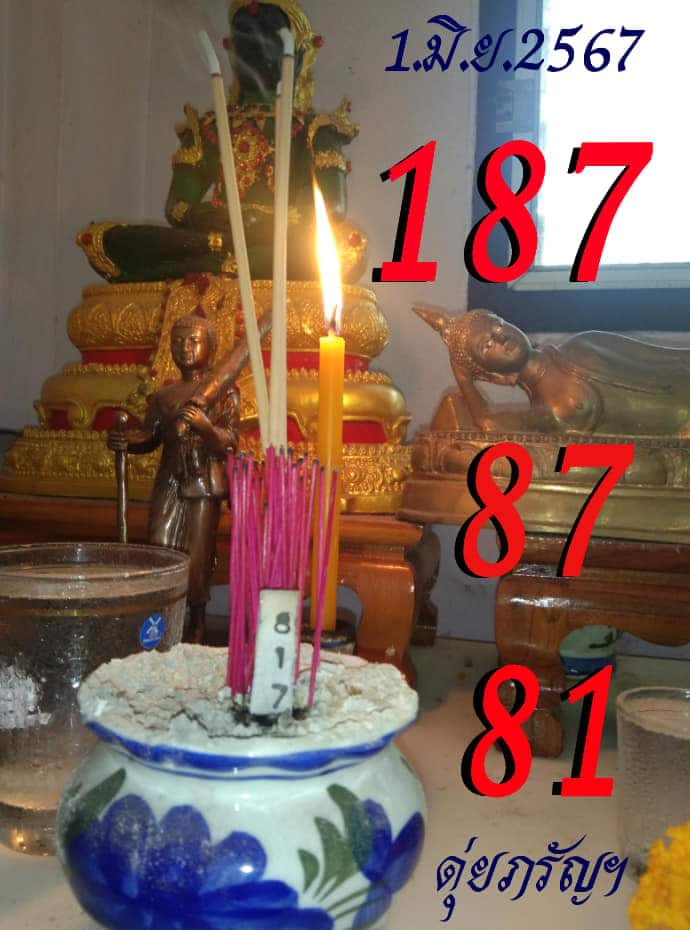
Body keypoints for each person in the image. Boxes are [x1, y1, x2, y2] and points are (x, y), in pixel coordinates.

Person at [78, 0, 365, 284]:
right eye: (245, 39)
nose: (255, 49)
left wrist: (266, 222)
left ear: (300, 53)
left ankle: (213, 265)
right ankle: (226, 261)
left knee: (345, 247)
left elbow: (332, 208)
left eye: (269, 39)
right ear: (231, 49)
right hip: (214, 237)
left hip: (281, 242)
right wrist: (202, 216)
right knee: (102, 239)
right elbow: (177, 206)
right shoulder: (209, 127)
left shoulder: (314, 130)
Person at [108, 314, 239, 644]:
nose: (185, 348)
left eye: (194, 341)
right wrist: (126, 441)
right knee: (160, 544)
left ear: (210, 347)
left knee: (197, 554)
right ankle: (162, 617)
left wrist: (206, 428)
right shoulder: (164, 396)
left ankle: (196, 619)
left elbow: (230, 442)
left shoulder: (223, 392)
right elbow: (151, 436)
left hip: (203, 481)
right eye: (178, 342)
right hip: (170, 479)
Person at [414, 306, 690, 436]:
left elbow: (660, 357)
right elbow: (488, 424)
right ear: (493, 375)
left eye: (498, 324)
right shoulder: (545, 409)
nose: (499, 336)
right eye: (486, 346)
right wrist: (464, 378)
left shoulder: (583, 343)